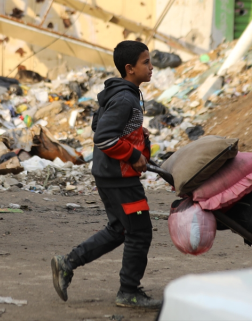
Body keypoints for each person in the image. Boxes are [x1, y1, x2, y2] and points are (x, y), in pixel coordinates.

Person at [51, 41, 161, 309]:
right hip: (119, 178)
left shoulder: (123, 93)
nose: (151, 67)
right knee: (140, 231)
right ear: (129, 68)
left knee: (120, 229)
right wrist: (134, 156)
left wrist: (138, 139)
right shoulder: (125, 98)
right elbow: (103, 136)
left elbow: (103, 126)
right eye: (145, 62)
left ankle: (68, 263)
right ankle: (129, 292)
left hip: (110, 175)